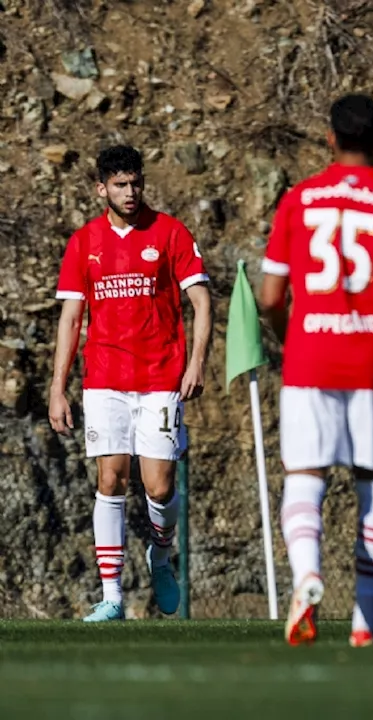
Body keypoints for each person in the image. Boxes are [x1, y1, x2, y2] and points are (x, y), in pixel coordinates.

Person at [259, 93, 373, 647]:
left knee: (305, 477)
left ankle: (307, 575)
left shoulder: (297, 200)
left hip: (309, 357)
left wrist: (294, 337)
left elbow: (269, 295)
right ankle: (365, 621)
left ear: (329, 138)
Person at [50, 145, 212, 622]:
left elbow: (201, 302)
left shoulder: (170, 233)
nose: (130, 192)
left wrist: (196, 363)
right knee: (110, 478)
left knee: (159, 487)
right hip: (104, 380)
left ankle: (160, 557)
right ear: (102, 188)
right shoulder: (85, 242)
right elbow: (71, 318)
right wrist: (58, 387)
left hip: (161, 378)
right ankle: (112, 596)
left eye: (135, 183)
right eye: (119, 185)